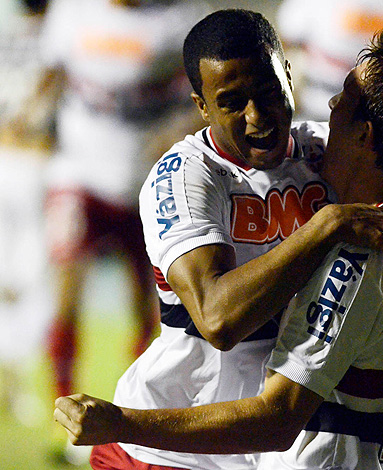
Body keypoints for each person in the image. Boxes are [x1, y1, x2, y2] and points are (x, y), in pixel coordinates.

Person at [57, 9, 383, 470]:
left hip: (261, 444)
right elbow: (218, 318)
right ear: (202, 106)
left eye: (269, 93)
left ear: (289, 75)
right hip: (169, 448)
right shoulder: (185, 177)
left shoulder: (330, 150)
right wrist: (324, 227)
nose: (257, 117)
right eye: (231, 102)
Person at [36, 0, 211, 462]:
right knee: (66, 294)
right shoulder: (72, 11)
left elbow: (207, 95)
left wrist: (179, 129)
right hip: (78, 175)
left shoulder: (181, 20)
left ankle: (132, 415)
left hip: (146, 183)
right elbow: (51, 77)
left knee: (149, 308)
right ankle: (62, 414)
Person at [0, 0, 53, 427]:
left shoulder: (6, 30)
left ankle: (11, 385)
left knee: (11, 282)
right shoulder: (64, 32)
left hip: (5, 159)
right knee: (33, 284)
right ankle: (16, 386)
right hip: (37, 163)